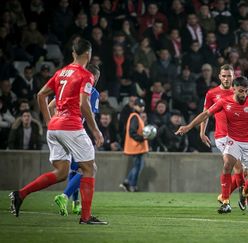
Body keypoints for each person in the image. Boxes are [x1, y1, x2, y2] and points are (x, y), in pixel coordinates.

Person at [9, 39, 107, 225]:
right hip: (71, 126)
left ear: (73, 54)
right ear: (89, 54)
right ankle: (86, 217)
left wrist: (48, 121)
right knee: (90, 168)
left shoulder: (61, 72)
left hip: (55, 127)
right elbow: (84, 103)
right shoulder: (86, 75)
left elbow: (41, 95)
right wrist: (95, 130)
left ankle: (20, 194)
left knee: (62, 172)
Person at [176, 76, 248, 214]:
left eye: (246, 91)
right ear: (233, 89)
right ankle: (225, 201)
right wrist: (188, 127)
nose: (244, 94)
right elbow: (206, 114)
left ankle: (244, 194)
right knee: (227, 164)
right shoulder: (223, 101)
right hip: (234, 140)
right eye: (241, 91)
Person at [53, 64, 101, 216]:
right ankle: (64, 196)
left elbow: (51, 105)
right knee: (88, 168)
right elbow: (89, 114)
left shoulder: (69, 87)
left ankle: (75, 203)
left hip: (58, 130)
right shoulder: (92, 92)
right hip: (74, 131)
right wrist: (95, 132)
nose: (95, 81)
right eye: (95, 78)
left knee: (75, 168)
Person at [200, 64, 248, 206]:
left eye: (229, 76)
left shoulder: (239, 92)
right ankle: (244, 197)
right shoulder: (212, 94)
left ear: (233, 76)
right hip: (223, 136)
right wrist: (202, 132)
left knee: (243, 171)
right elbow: (205, 114)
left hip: (239, 136)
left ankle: (224, 196)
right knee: (238, 167)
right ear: (219, 77)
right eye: (224, 76)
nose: (227, 79)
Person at [120, 98, 149, 192]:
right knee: (137, 166)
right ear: (135, 106)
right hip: (136, 146)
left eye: (142, 106)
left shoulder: (137, 116)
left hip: (137, 146)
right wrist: (142, 138)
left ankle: (128, 183)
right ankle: (131, 184)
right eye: (139, 106)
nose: (141, 108)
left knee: (137, 166)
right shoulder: (135, 116)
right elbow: (132, 132)